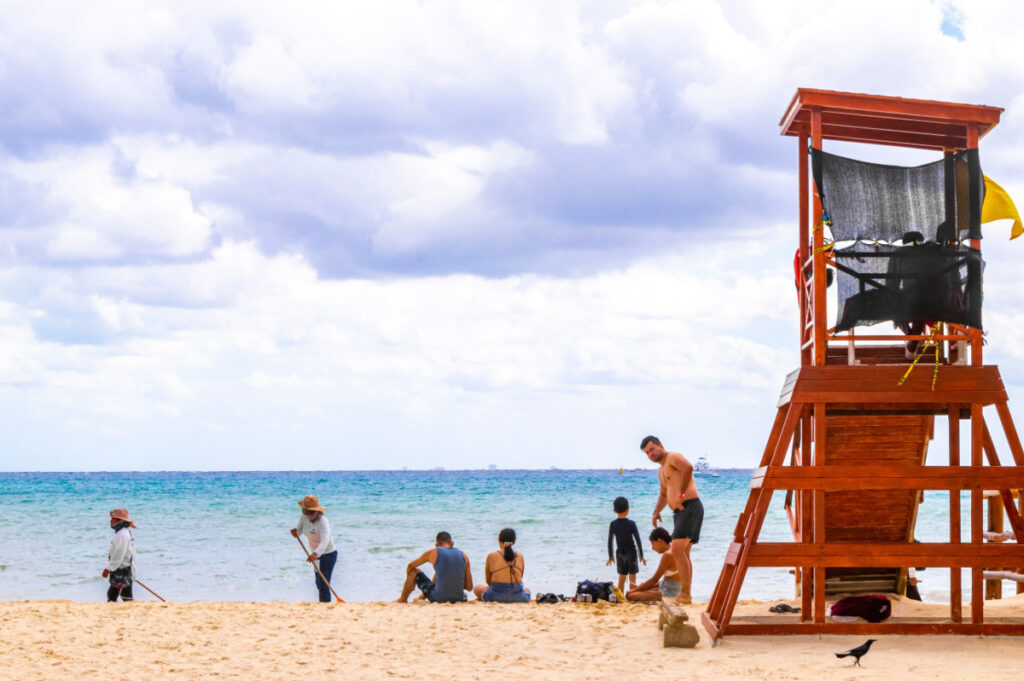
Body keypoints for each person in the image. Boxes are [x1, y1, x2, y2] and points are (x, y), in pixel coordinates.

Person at [642, 435, 703, 604]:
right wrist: (656, 511)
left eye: (652, 449)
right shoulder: (661, 470)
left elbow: (688, 468)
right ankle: (686, 593)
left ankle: (685, 593)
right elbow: (663, 493)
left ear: (660, 445)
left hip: (689, 506)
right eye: (647, 452)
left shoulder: (673, 457)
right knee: (683, 553)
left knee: (676, 550)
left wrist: (681, 493)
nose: (651, 454)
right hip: (680, 512)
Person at [397, 531, 473, 603]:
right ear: (452, 543)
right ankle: (421, 598)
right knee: (440, 572)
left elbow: (410, 566)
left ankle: (403, 599)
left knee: (414, 571)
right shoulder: (464, 555)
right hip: (459, 599)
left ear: (436, 545)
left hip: (438, 599)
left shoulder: (434, 552)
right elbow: (469, 587)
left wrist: (410, 580)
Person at [289, 495, 338, 603]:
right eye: (305, 511)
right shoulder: (303, 516)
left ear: (317, 512)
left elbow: (325, 540)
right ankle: (323, 604)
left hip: (328, 554)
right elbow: (300, 530)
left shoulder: (323, 521)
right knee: (318, 583)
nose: (307, 515)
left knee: (324, 584)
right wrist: (295, 533)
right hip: (315, 555)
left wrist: (315, 554)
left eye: (310, 512)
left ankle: (325, 607)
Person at [473, 528, 531, 603]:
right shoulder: (520, 556)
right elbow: (520, 577)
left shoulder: (491, 556)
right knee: (527, 590)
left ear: (499, 540)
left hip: (496, 596)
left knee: (477, 588)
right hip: (518, 597)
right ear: (514, 542)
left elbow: (488, 581)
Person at [626, 527, 682, 602]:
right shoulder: (672, 550)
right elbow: (666, 580)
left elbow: (654, 579)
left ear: (660, 541)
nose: (652, 548)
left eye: (653, 543)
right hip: (668, 587)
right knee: (641, 588)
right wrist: (641, 586)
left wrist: (633, 591)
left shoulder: (668, 555)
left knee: (631, 596)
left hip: (670, 593)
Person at [606, 496, 646, 593]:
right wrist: (641, 556)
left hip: (620, 553)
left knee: (622, 578)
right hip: (631, 552)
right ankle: (632, 597)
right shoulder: (632, 523)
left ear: (614, 510)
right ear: (628, 509)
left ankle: (620, 598)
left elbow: (610, 541)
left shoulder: (613, 524)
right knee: (633, 578)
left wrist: (611, 557)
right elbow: (638, 541)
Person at [103, 508, 137, 602]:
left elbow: (119, 554)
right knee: (126, 596)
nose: (110, 521)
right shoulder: (124, 533)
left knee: (112, 595)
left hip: (122, 571)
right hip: (125, 569)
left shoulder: (122, 535)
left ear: (120, 521)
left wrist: (108, 568)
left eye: (113, 519)